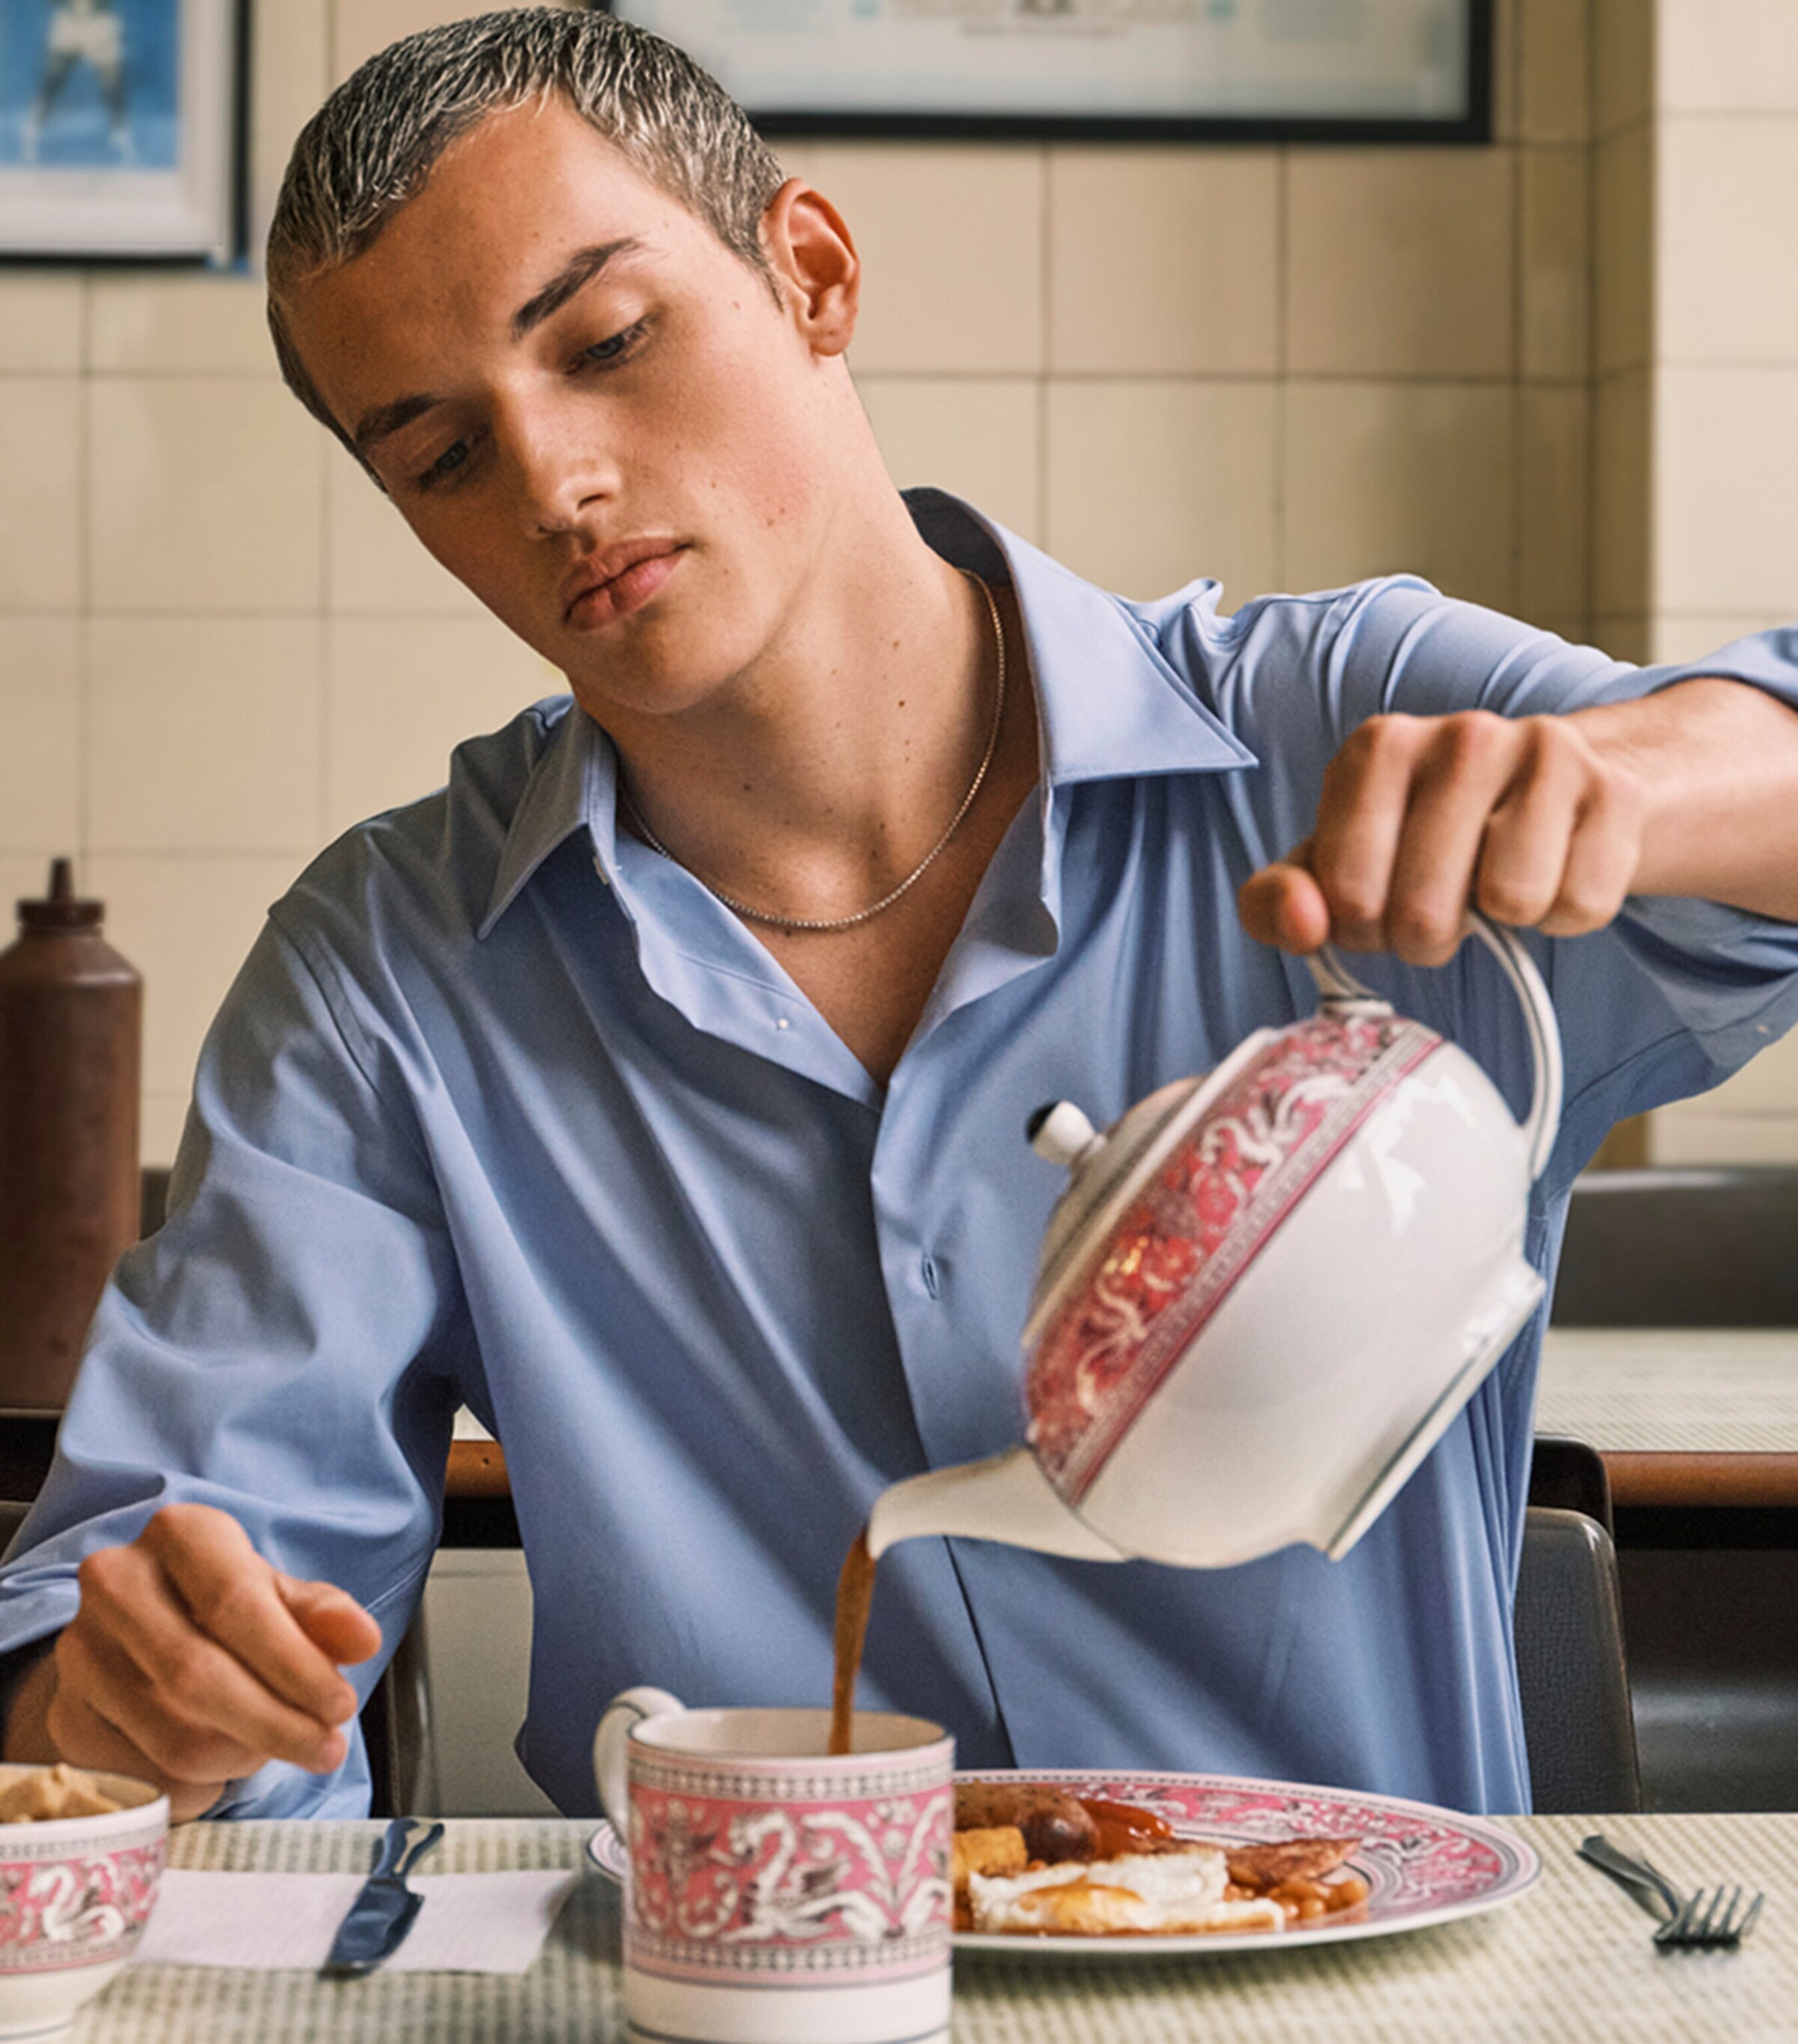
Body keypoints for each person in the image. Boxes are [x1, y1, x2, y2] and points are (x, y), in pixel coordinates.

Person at [3, 7, 1797, 1825]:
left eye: (607, 341)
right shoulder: (385, 980)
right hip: (740, 1992)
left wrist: (1654, 776)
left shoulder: (1328, 726)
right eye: (441, 457)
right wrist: (129, 1696)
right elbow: (120, 1637)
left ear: (810, 270)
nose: (552, 482)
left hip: (1354, 1982)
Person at [20, 0, 132, 164]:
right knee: (52, 80)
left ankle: (123, 138)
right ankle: (31, 134)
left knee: (112, 81)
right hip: (69, 21)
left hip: (100, 22)